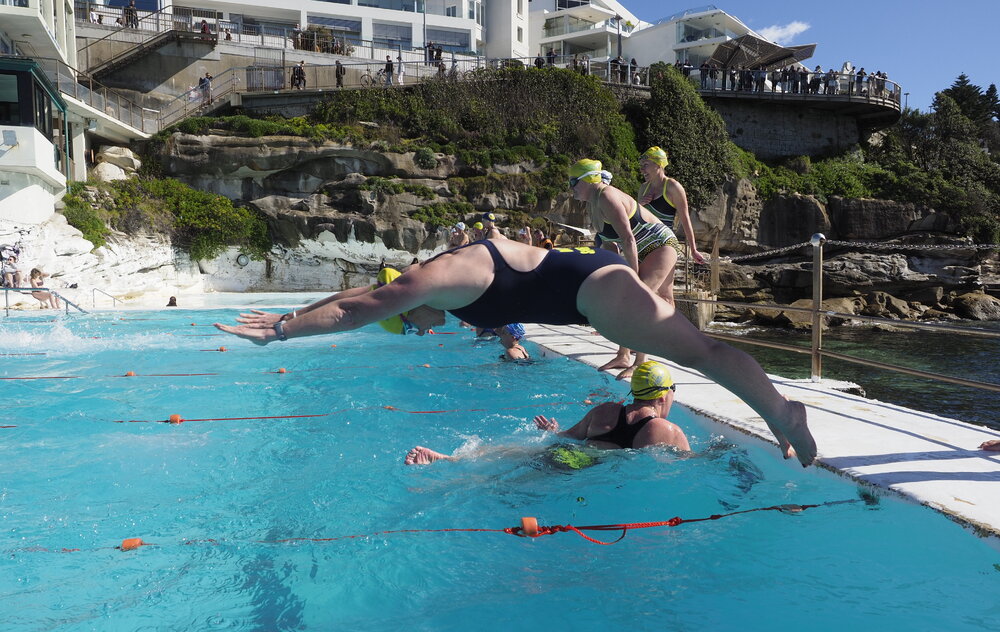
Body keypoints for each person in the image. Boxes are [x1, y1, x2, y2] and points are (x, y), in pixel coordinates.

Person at [214, 231, 817, 467]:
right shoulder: (422, 284)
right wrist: (292, 312)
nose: (423, 331)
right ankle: (777, 409)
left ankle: (781, 411)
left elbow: (357, 309)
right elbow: (366, 292)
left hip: (597, 291)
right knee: (696, 351)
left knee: (701, 353)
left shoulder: (436, 279)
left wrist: (281, 335)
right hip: (589, 290)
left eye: (411, 326)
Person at [404, 360, 689, 465]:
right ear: (664, 395)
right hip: (583, 469)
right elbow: (693, 462)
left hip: (565, 453)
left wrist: (553, 432)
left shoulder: (605, 411)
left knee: (518, 454)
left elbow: (567, 436)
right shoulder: (667, 431)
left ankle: (452, 459)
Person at [572, 157, 687, 380]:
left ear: (586, 180)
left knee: (638, 301)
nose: (572, 188)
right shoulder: (593, 204)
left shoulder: (607, 196)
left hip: (660, 244)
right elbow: (608, 243)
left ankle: (640, 362)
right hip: (643, 248)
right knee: (657, 298)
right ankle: (624, 355)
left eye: (573, 182)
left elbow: (628, 240)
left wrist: (631, 277)